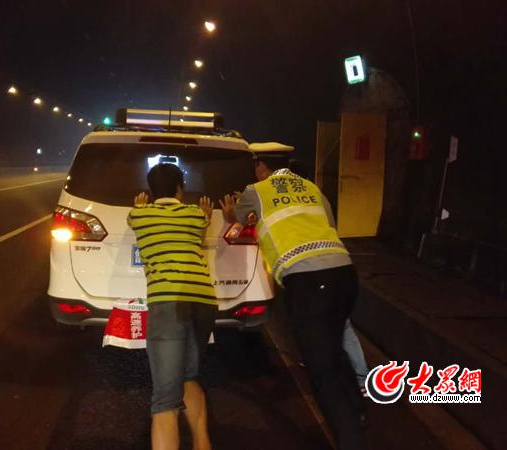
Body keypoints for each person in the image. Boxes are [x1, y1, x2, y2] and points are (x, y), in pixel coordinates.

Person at [220, 144, 366, 450]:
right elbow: (329, 225)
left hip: (308, 282)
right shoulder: (311, 188)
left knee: (322, 370)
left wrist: (229, 211)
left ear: (261, 167)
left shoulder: (257, 190)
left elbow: (238, 217)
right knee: (334, 347)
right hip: (345, 274)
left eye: (256, 166)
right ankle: (357, 410)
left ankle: (350, 439)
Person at [128, 163, 216, 450]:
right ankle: (202, 443)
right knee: (189, 377)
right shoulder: (194, 214)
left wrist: (140, 205)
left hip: (167, 302)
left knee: (165, 397)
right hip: (203, 301)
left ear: (151, 191)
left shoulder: (139, 215)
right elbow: (198, 236)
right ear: (180, 189)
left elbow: (134, 218)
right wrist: (205, 215)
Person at [288, 158, 370, 395]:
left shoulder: (294, 199)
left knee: (333, 324)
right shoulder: (317, 196)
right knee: (334, 322)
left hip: (314, 269)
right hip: (334, 266)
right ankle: (350, 372)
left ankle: (360, 377)